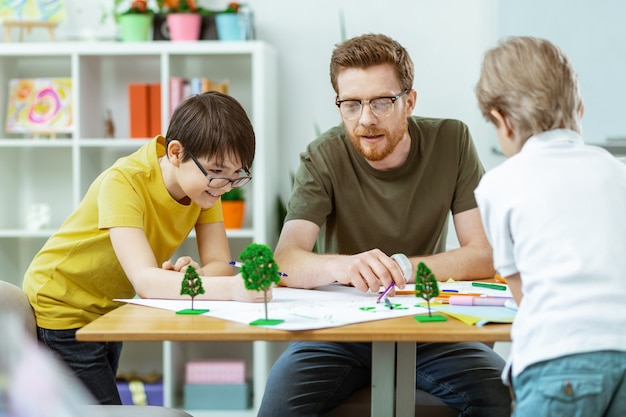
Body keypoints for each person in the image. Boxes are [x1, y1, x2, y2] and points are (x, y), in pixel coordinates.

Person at [257, 33, 510, 417]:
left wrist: (403, 268)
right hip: (339, 330)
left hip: (429, 325)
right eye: (352, 104)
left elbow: (483, 255)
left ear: (408, 101)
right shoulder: (322, 156)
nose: (366, 119)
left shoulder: (451, 141)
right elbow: (286, 258)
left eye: (381, 102)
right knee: (279, 406)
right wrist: (346, 266)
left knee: (499, 394)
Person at [22, 91, 270, 405]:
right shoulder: (125, 181)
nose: (225, 186)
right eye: (218, 172)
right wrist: (231, 290)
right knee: (101, 412)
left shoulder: (205, 190)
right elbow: (147, 282)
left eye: (237, 176)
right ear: (177, 153)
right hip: (63, 305)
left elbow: (220, 263)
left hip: (109, 310)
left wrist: (199, 274)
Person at [474, 36, 626, 417]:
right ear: (580, 108)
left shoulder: (498, 184)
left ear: (501, 121)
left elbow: (519, 287)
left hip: (559, 359)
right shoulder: (617, 172)